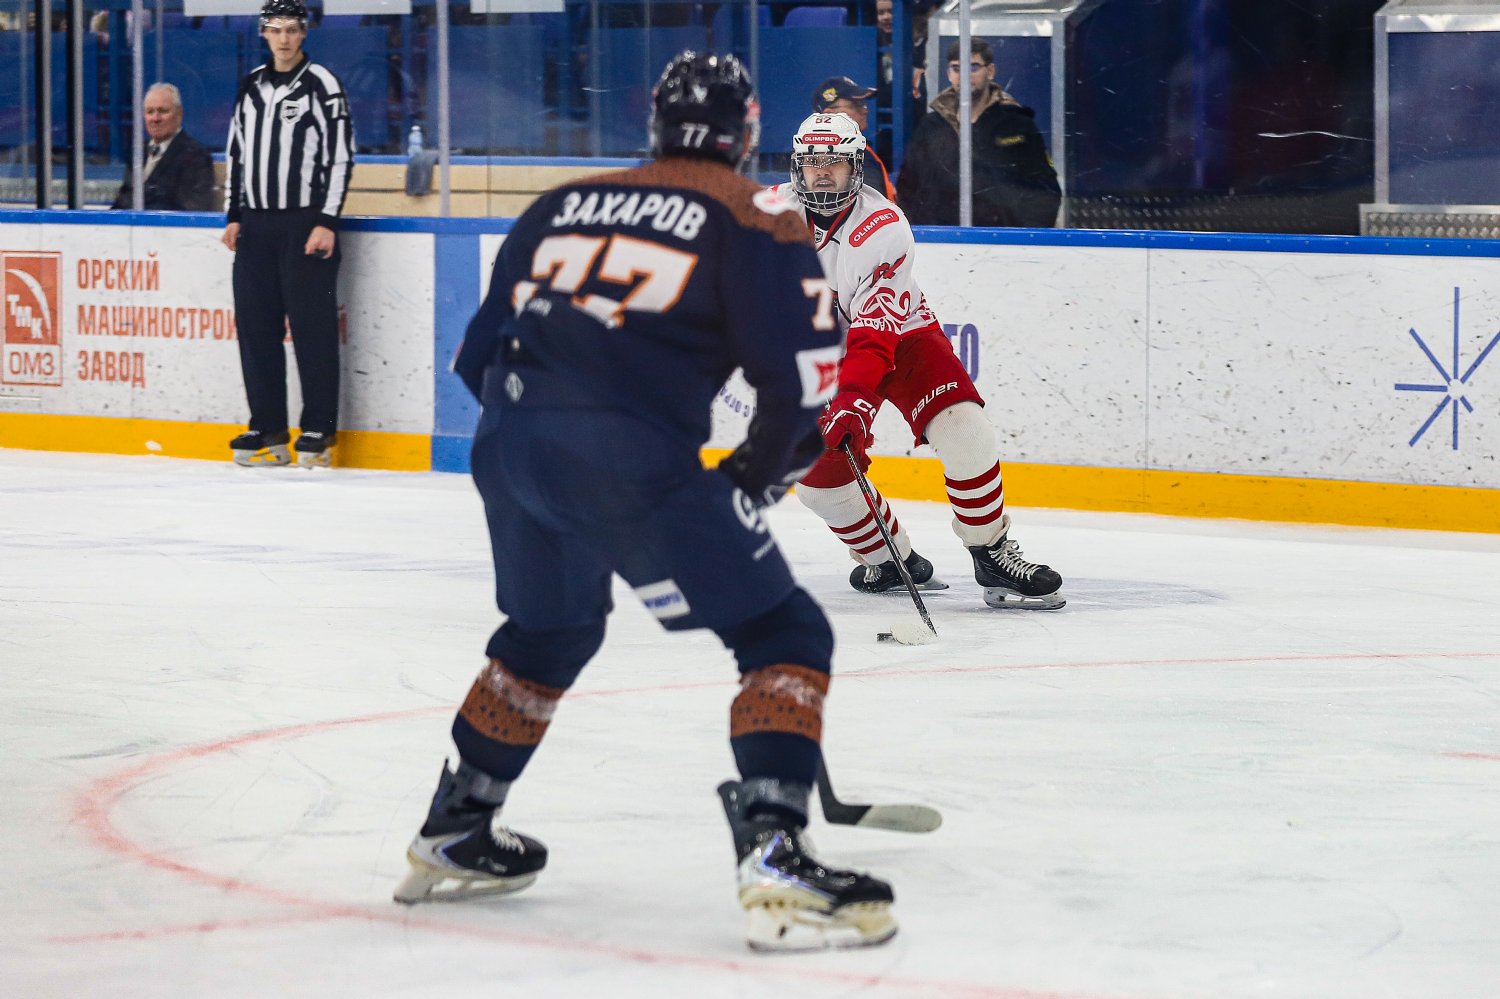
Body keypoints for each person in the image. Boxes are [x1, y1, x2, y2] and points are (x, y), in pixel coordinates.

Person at [391, 51, 897, 953]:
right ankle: (775, 850)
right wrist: (748, 480)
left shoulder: (562, 203)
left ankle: (456, 823)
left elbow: (474, 357)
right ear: (746, 133)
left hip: (507, 447)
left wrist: (551, 448)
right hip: (627, 458)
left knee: (551, 631)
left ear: (655, 125)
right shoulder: (757, 216)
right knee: (785, 633)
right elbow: (803, 387)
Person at [773, 111, 1065, 609]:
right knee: (817, 482)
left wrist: (853, 402)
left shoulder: (882, 226)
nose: (822, 173)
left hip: (901, 337)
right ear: (797, 166)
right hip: (819, 353)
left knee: (965, 430)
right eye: (812, 162)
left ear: (856, 166)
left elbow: (873, 335)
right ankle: (890, 560)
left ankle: (991, 550)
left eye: (834, 162)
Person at [221, 0, 354, 468]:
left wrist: (327, 220)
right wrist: (233, 215)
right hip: (256, 225)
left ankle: (319, 428)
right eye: (275, 30)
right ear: (263, 33)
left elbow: (340, 155)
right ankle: (268, 425)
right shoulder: (251, 85)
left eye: (292, 30)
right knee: (256, 329)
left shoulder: (322, 84)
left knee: (312, 330)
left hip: (304, 223)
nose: (283, 38)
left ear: (304, 34)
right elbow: (237, 154)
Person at [897, 39, 1061, 228]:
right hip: (941, 239)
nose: (964, 75)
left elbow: (1045, 192)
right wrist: (921, 233)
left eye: (973, 67)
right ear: (948, 74)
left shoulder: (1016, 124)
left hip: (1001, 240)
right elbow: (907, 187)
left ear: (990, 71)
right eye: (956, 68)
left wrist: (1023, 237)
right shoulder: (931, 126)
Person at [110, 83, 217, 212]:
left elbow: (192, 209)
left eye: (163, 111)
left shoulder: (196, 155)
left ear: (179, 114)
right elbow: (122, 202)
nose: (155, 119)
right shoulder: (138, 152)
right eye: (150, 112)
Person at [811, 75, 896, 201]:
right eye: (856, 105)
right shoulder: (847, 156)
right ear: (829, 115)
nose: (865, 110)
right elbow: (867, 206)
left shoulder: (812, 152)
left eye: (863, 104)